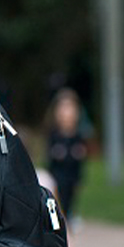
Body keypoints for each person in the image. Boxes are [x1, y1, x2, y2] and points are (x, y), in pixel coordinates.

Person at [43, 87, 91, 221]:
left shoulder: (78, 135)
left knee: (70, 202)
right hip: (57, 178)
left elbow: (81, 158)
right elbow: (50, 158)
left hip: (72, 178)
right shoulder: (53, 134)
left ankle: (69, 217)